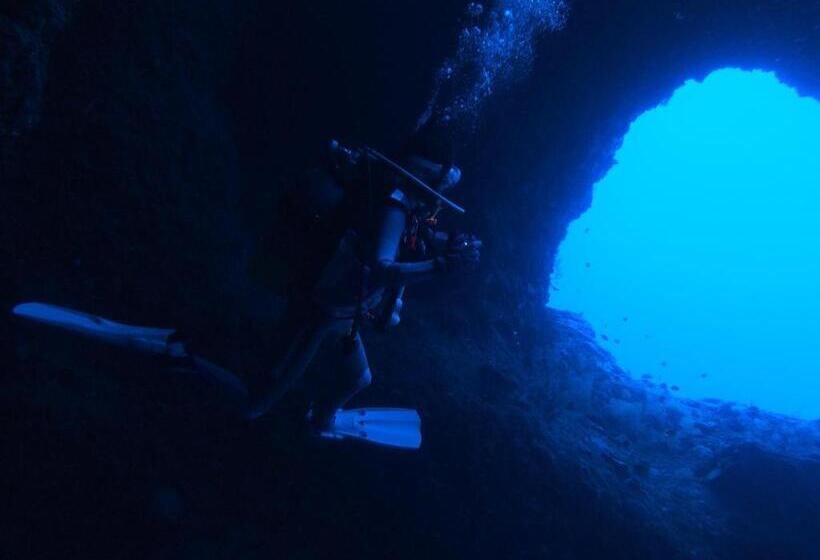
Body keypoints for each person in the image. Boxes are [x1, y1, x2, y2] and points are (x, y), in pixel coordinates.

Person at [13, 130, 481, 449]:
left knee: (357, 378)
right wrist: (439, 264)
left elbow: (404, 242)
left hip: (343, 309)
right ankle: (177, 354)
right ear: (434, 176)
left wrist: (446, 246)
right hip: (323, 307)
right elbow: (383, 261)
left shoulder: (411, 205)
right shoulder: (398, 204)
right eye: (438, 178)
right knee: (252, 406)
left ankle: (321, 421)